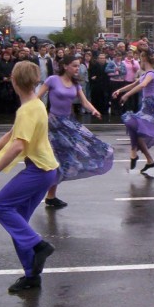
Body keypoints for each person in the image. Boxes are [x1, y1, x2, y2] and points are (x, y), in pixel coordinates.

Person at [0, 61, 59, 293]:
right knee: (17, 223)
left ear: (13, 80)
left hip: (39, 171)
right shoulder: (35, 105)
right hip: (46, 170)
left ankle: (40, 246)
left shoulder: (28, 110)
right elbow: (12, 134)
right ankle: (32, 276)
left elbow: (18, 145)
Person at [36, 55, 114, 209]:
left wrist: (94, 110)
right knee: (54, 160)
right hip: (53, 124)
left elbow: (84, 102)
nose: (77, 69)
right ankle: (45, 194)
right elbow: (38, 97)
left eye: (78, 66)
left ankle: (51, 196)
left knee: (66, 158)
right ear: (65, 66)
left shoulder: (75, 85)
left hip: (68, 123)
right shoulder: (52, 80)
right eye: (74, 66)